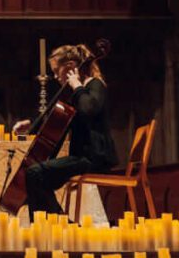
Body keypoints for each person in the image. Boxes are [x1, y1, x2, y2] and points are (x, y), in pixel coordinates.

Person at [11, 44, 116, 215]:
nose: (55, 76)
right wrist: (32, 126)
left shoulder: (94, 85)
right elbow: (56, 122)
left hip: (95, 157)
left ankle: (56, 222)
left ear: (70, 67)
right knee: (36, 178)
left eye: (55, 70)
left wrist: (76, 86)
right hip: (81, 158)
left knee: (35, 174)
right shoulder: (77, 93)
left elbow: (89, 108)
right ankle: (51, 222)